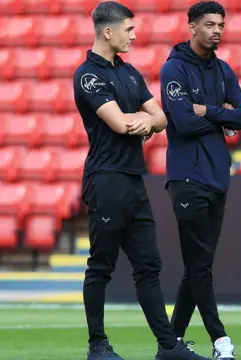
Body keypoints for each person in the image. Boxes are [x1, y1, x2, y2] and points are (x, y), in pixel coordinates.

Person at [74, 2, 211, 360]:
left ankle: (168, 346)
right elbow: (120, 124)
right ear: (108, 32)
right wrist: (141, 119)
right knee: (101, 265)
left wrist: (144, 121)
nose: (134, 35)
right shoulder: (88, 75)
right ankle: (97, 346)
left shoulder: (131, 73)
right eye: (129, 29)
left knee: (149, 265)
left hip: (134, 180)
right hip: (106, 180)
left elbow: (161, 117)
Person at [159, 1, 241, 359]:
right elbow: (182, 122)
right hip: (186, 178)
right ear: (192, 27)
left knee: (198, 266)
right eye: (210, 24)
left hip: (216, 177)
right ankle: (220, 340)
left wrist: (209, 111)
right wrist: (222, 117)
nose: (217, 30)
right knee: (199, 266)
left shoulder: (224, 71)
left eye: (221, 25)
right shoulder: (174, 69)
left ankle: (170, 344)